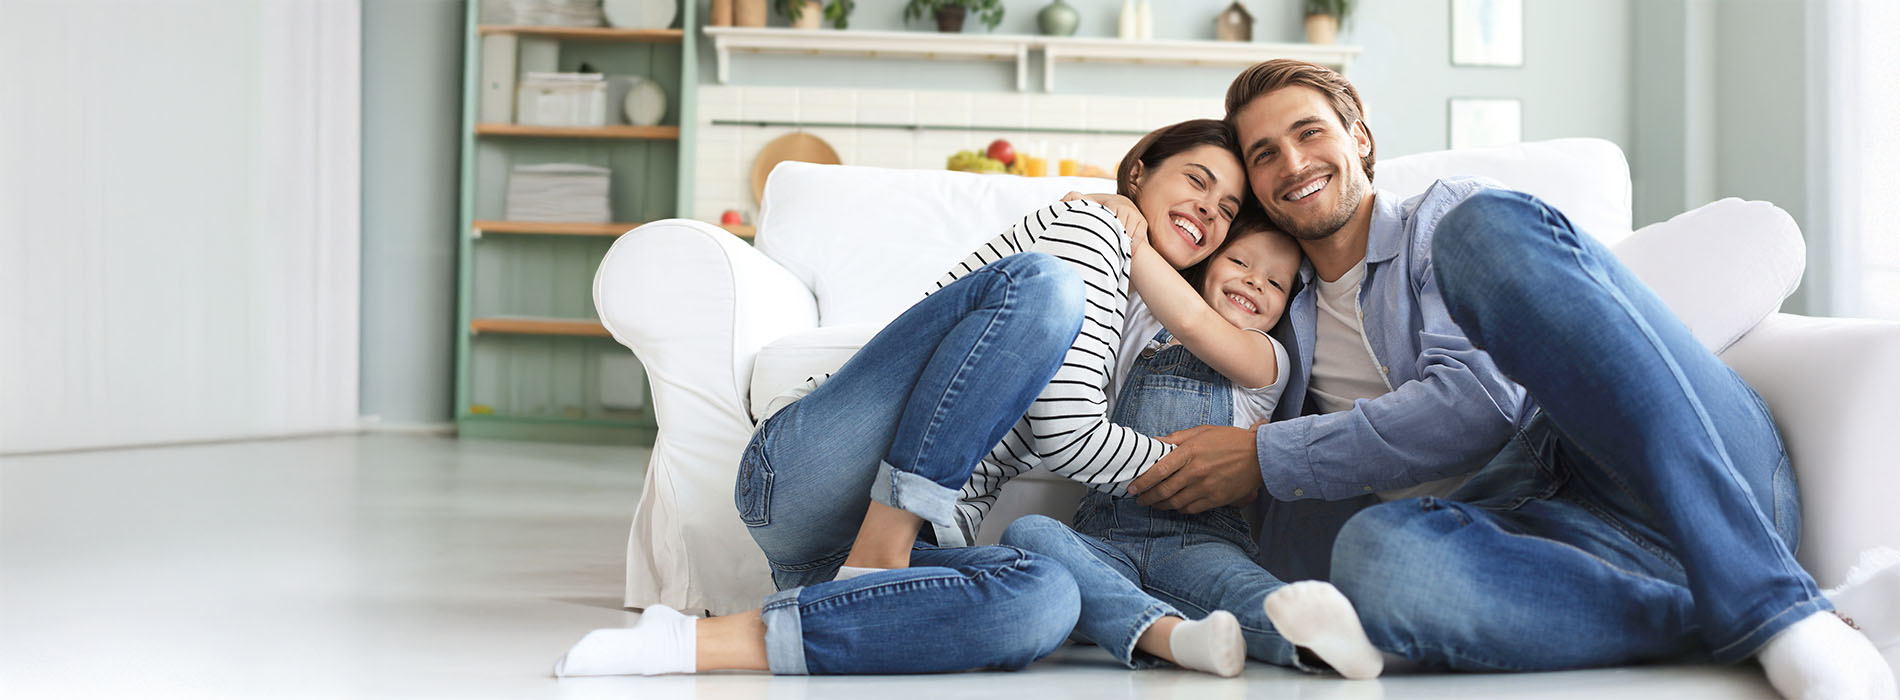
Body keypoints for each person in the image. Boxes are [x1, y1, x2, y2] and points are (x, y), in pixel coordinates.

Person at [1124, 59, 1897, 699]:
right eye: (1264, 155)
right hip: (1536, 549)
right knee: (1376, 557)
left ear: (1358, 139)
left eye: (1309, 133)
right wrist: (1115, 216)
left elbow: (1482, 404)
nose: (1291, 164)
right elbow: (1168, 281)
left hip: (1653, 468)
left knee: (1484, 233)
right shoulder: (1273, 310)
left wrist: (1268, 456)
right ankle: (1744, 618)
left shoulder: (1443, 219)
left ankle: (1771, 599)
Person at [553, 119, 1254, 677]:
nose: (1207, 211)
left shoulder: (1148, 316)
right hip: (809, 475)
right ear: (1138, 173)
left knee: (1044, 601)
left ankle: (702, 644)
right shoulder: (1092, 228)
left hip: (855, 550)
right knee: (1044, 286)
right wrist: (1210, 468)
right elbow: (1070, 436)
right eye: (1196, 180)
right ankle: (879, 553)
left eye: (1227, 210)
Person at [1002, 214, 1384, 679]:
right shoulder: (1143, 326)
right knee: (1030, 535)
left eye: (1275, 283)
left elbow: (1197, 323)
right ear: (1206, 264)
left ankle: (1323, 639)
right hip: (1103, 541)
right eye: (1239, 261)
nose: (1252, 280)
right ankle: (1174, 636)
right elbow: (1136, 278)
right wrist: (1115, 209)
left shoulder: (1268, 358)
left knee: (1250, 592)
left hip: (1199, 542)